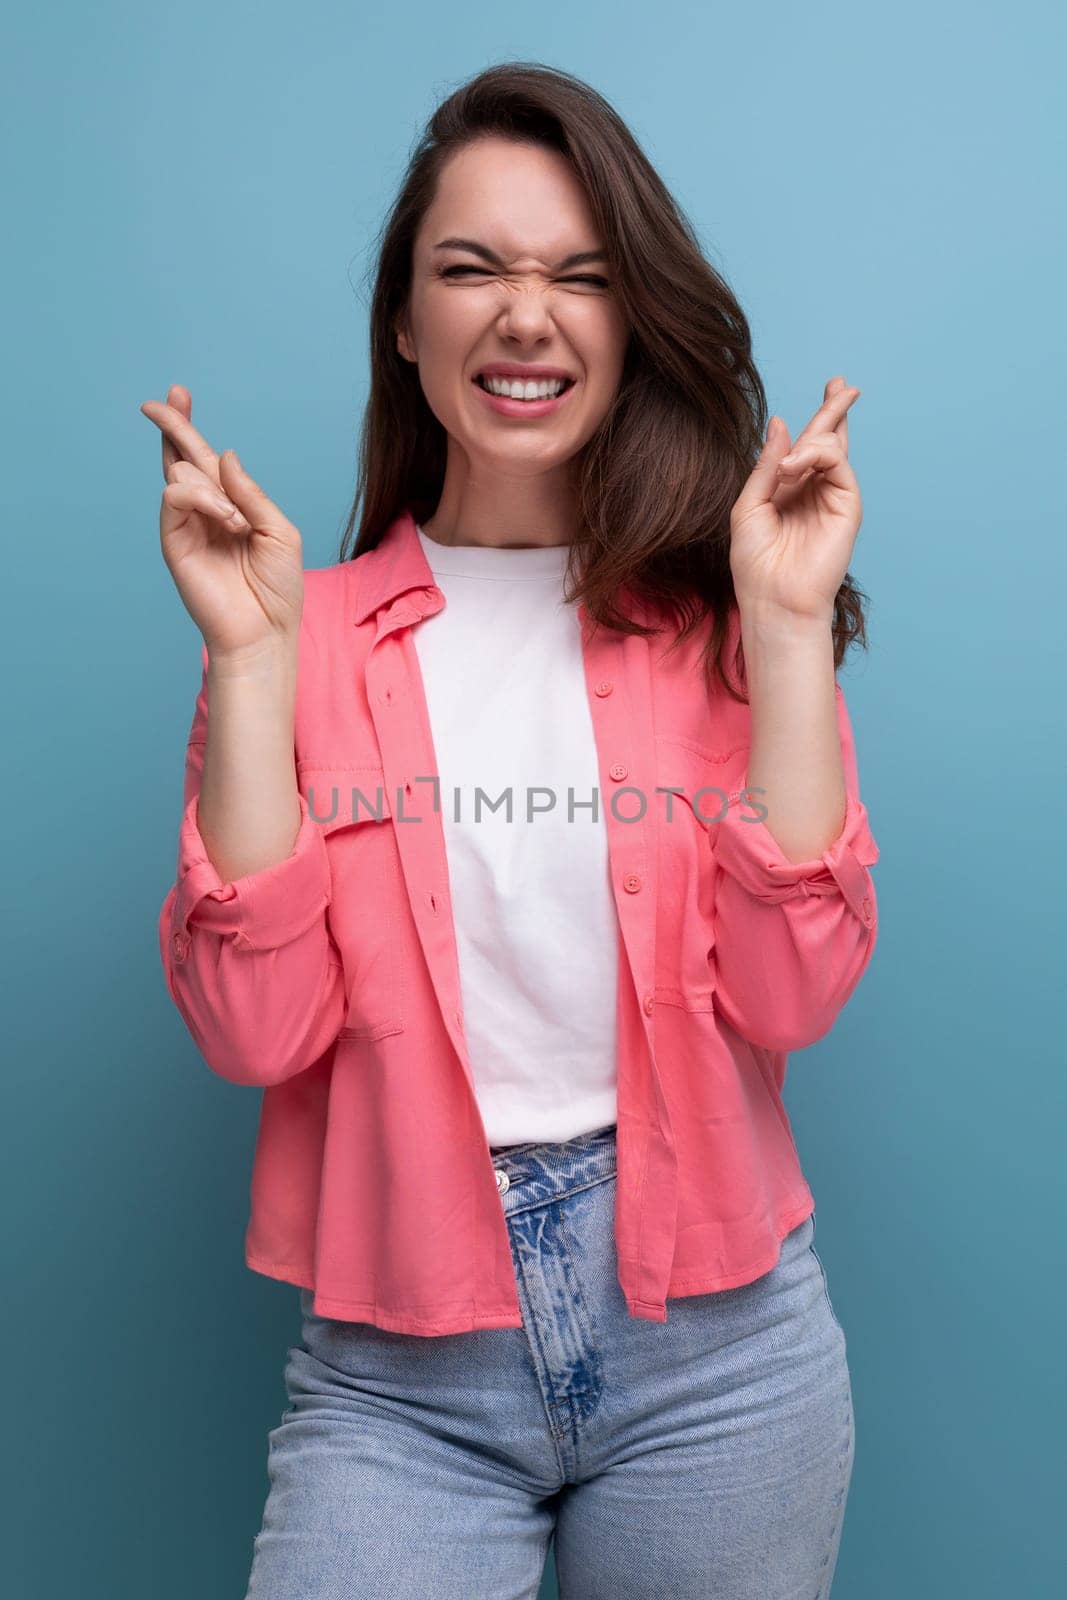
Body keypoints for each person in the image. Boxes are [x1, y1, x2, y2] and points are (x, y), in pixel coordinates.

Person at [146, 61, 878, 1600]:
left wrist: (792, 627)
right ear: (407, 324)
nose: (524, 315)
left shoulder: (721, 627)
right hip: (402, 1369)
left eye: (580, 276)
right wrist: (248, 661)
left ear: (627, 325)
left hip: (720, 1359)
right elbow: (257, 1030)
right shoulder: (303, 631)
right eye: (469, 268)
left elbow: (793, 995)